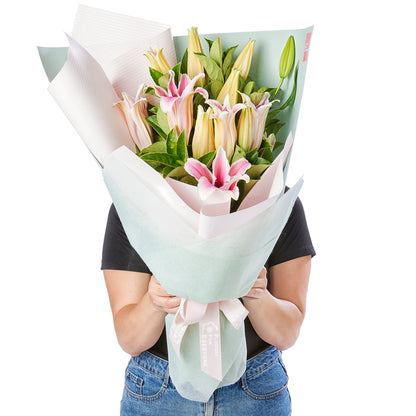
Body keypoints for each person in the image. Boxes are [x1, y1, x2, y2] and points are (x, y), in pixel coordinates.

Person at [101, 196, 315, 416]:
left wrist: (257, 295)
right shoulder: (134, 203)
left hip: (255, 389)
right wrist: (155, 301)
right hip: (158, 391)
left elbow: (287, 335)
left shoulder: (278, 202)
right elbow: (129, 339)